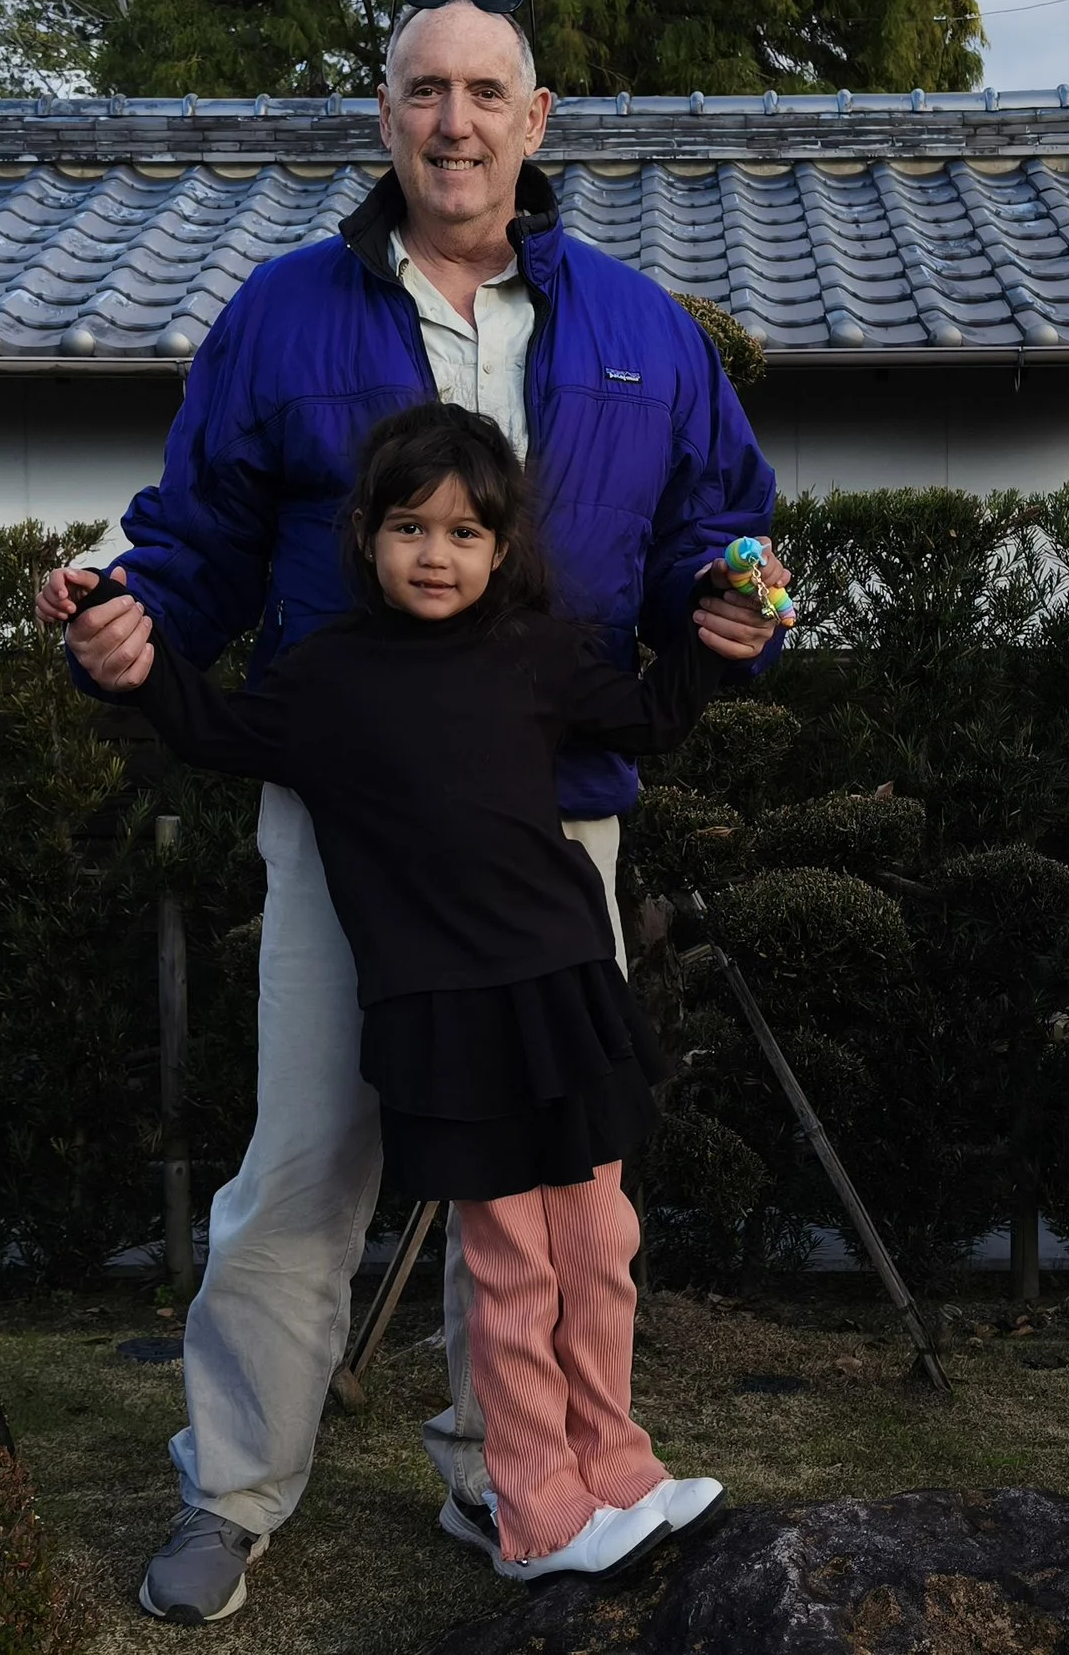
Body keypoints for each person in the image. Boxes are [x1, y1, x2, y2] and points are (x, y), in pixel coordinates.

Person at [35, 0, 788, 1626]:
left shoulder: (639, 330)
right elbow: (197, 540)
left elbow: (713, 528)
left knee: (542, 1170)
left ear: (537, 124)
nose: (453, 121)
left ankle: (497, 1463)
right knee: (309, 1162)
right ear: (386, 116)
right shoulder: (285, 316)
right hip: (352, 829)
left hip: (552, 822)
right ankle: (230, 1490)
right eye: (421, 88)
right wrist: (127, 623)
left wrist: (737, 596)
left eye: (484, 92)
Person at [58, 403, 766, 1596]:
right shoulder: (324, 674)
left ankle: (620, 1467)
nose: (434, 552)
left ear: (502, 549)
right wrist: (106, 629)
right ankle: (536, 1510)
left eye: (463, 532)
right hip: (444, 1006)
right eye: (407, 526)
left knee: (597, 1244)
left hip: (563, 980)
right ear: (366, 534)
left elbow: (650, 714)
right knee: (508, 1266)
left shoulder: (539, 649)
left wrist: (725, 635)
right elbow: (207, 723)